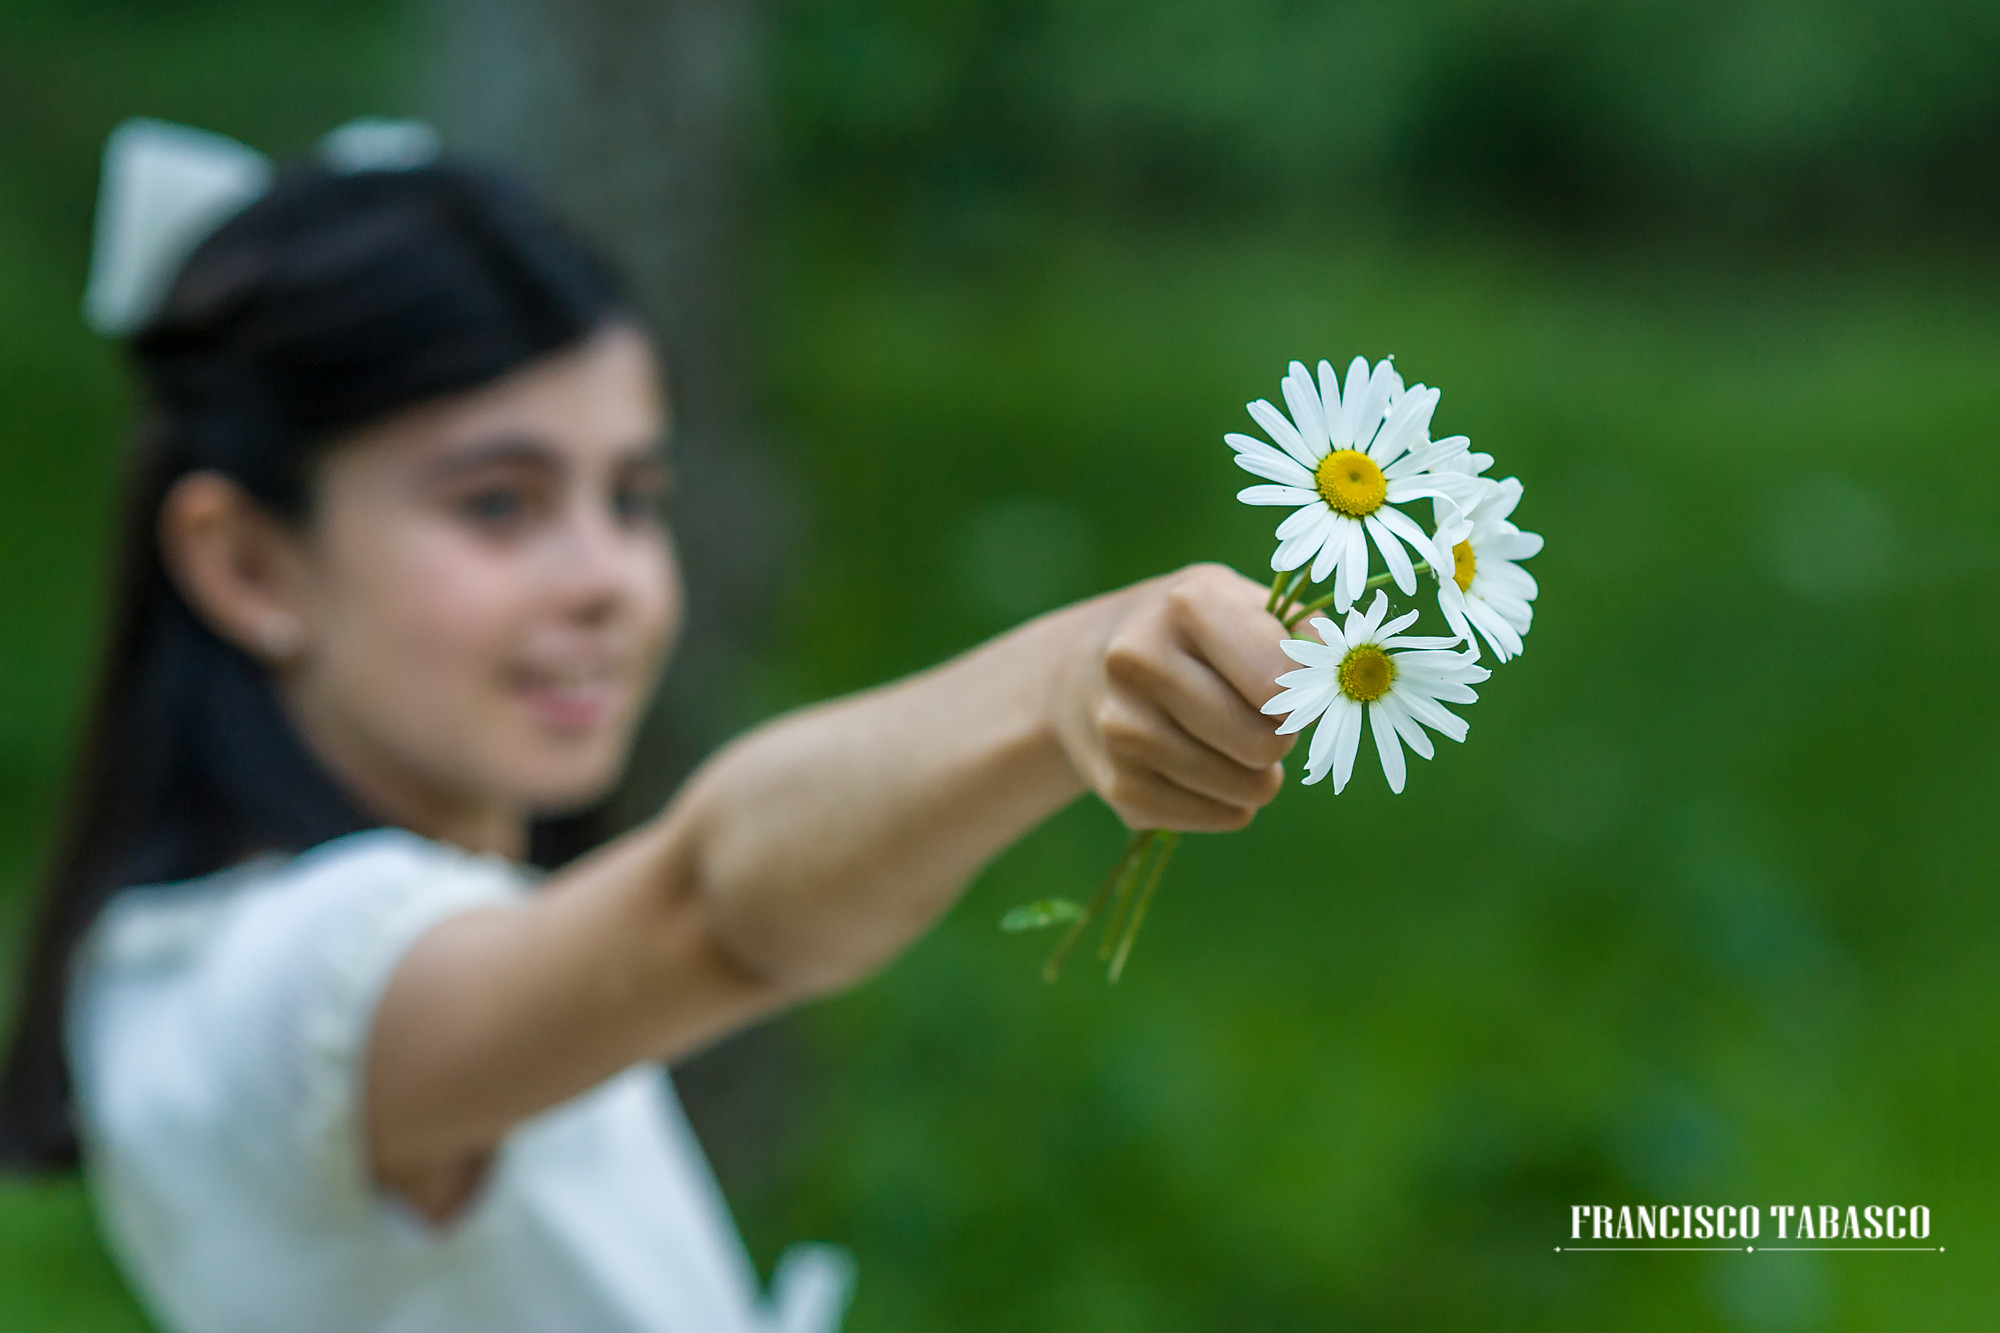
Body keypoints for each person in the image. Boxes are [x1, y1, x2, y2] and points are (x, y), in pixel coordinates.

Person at [0, 120, 1299, 1333]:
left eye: (631, 497)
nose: (608, 579)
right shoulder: (269, 991)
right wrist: (1061, 683)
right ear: (249, 568)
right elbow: (711, 906)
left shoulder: (453, 937)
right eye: (499, 505)